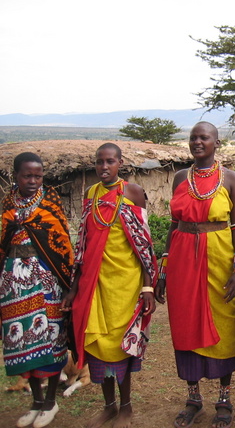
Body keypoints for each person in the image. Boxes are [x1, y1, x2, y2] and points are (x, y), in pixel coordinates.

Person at [155, 122, 235, 428]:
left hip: (219, 259)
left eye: (203, 137)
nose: (197, 142)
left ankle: (224, 399)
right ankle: (193, 398)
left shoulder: (231, 179)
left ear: (216, 143)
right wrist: (164, 271)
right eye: (193, 137)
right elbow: (173, 224)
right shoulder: (181, 178)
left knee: (225, 324)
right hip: (183, 260)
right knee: (185, 324)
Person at [62, 142, 157, 428]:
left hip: (126, 285)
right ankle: (109, 406)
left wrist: (148, 286)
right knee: (97, 346)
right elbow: (83, 243)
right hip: (96, 283)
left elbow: (145, 244)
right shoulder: (91, 194)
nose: (104, 167)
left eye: (110, 161)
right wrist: (74, 286)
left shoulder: (133, 193)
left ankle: (126, 407)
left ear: (120, 163)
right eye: (99, 162)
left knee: (121, 346)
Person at [1, 152, 74, 428]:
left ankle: (51, 401)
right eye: (27, 176)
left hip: (47, 280)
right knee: (23, 341)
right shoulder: (9, 203)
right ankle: (35, 400)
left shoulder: (49, 202)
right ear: (16, 176)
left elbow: (62, 243)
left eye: (38, 176)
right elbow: (4, 241)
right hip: (14, 283)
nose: (33, 181)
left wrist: (68, 285)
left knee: (51, 338)